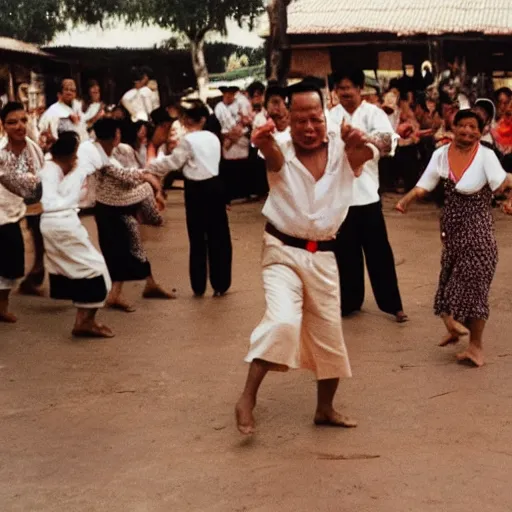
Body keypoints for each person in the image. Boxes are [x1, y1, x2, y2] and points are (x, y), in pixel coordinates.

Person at [235, 81, 376, 435]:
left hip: (324, 256)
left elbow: (372, 151)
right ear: (287, 117)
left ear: (325, 114)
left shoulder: (345, 146)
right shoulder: (277, 146)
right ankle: (247, 398)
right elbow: (274, 158)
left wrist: (366, 143)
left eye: (315, 119)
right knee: (282, 321)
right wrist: (264, 142)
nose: (308, 128)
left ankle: (324, 409)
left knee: (330, 336)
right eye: (300, 121)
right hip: (282, 251)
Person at [396, 110, 512, 367]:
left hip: (479, 231)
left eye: (473, 127)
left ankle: (475, 346)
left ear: (480, 131)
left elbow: (503, 184)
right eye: (462, 126)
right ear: (454, 127)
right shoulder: (441, 154)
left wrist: (510, 200)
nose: (467, 131)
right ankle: (453, 328)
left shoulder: (486, 156)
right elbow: (424, 184)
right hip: (451, 230)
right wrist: (406, 200)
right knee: (447, 279)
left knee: (474, 287)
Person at [329, 67, 407, 323]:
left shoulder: (373, 113)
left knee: (379, 253)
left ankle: (393, 305)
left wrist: (361, 139)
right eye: (340, 88)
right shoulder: (332, 116)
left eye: (348, 88)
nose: (344, 93)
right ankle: (350, 302)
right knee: (345, 253)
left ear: (360, 88)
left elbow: (389, 141)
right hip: (341, 197)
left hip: (367, 195)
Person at [147, 100, 232, 297]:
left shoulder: (188, 141)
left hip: (196, 189)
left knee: (197, 237)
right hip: (215, 186)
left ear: (186, 120)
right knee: (219, 235)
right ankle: (221, 283)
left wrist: (151, 166)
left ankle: (199, 285)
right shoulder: (213, 137)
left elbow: (174, 162)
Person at [91, 118, 174, 312]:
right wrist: (149, 179)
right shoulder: (100, 157)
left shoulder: (113, 152)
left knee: (134, 246)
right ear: (114, 136)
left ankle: (150, 283)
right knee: (119, 252)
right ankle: (115, 295)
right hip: (109, 209)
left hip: (119, 206)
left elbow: (129, 174)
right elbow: (126, 176)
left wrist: (147, 178)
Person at [39, 132, 114, 338]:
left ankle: (84, 320)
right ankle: (84, 322)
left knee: (84, 269)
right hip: (62, 224)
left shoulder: (52, 168)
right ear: (72, 155)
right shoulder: (60, 170)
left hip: (55, 224)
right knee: (96, 270)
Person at [0, 104, 42, 322]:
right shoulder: (0, 151)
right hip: (1, 211)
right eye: (12, 122)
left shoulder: (33, 149)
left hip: (16, 210)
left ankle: (2, 306)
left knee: (13, 262)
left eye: (23, 121)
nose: (19, 126)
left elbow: (40, 175)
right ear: (4, 125)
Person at [214, 86, 251, 202]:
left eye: (231, 94)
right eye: (226, 94)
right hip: (226, 138)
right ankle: (231, 194)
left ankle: (243, 193)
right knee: (229, 169)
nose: (228, 96)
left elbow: (245, 121)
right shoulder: (219, 107)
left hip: (241, 137)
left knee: (242, 168)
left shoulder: (241, 103)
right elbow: (218, 124)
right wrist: (229, 137)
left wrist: (235, 134)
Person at [39, 78, 88, 142]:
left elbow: (84, 129)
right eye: (66, 89)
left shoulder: (78, 107)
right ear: (60, 93)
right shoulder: (53, 110)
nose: (69, 92)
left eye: (72, 90)